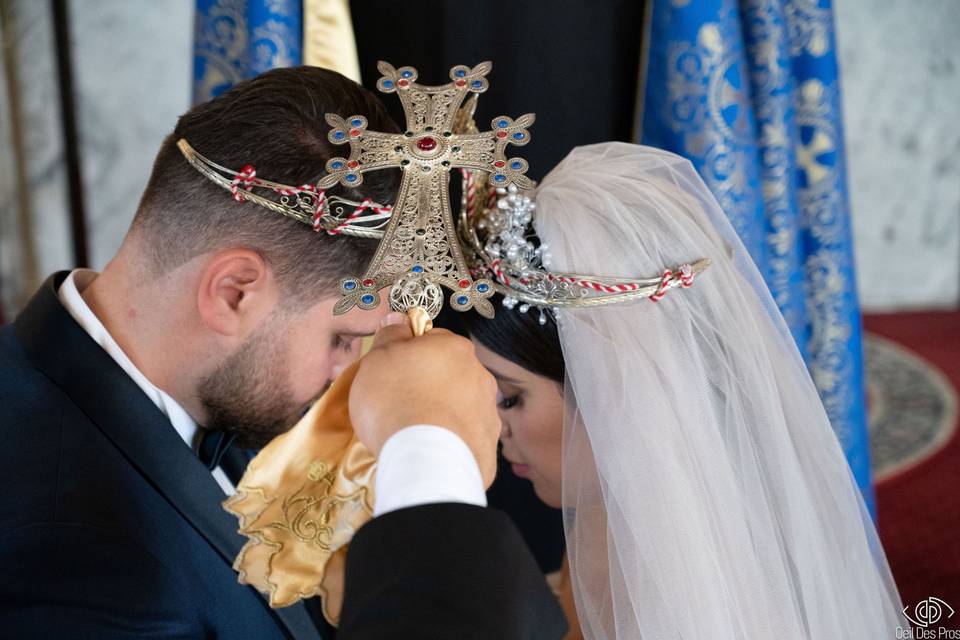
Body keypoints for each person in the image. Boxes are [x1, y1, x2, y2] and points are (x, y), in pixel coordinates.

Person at [0, 67, 565, 639]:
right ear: (234, 292)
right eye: (342, 340)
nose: (352, 372)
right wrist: (429, 452)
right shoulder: (65, 555)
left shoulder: (209, 394)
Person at [461, 142, 909, 639]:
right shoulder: (606, 515)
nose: (493, 425)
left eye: (510, 397)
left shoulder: (670, 574)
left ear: (608, 389)